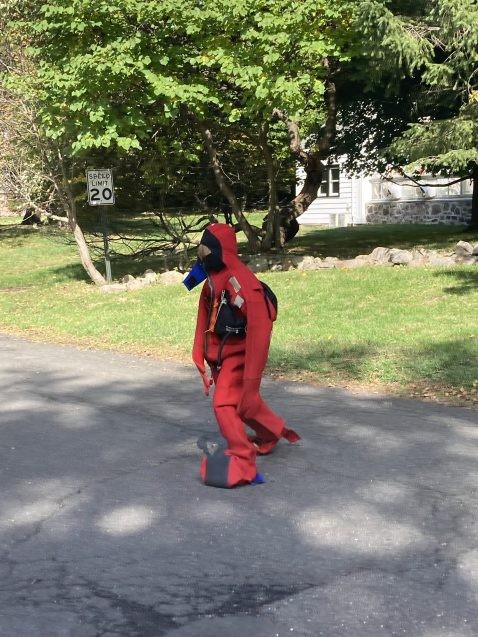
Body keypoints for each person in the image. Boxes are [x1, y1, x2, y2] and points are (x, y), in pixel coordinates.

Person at [186, 222, 300, 488]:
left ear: (220, 250)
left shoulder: (243, 283)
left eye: (207, 248)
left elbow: (260, 331)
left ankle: (241, 458)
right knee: (242, 403)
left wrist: (251, 381)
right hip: (221, 354)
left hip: (239, 353)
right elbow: (204, 315)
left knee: (224, 403)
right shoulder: (211, 277)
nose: (202, 254)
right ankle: (271, 432)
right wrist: (199, 355)